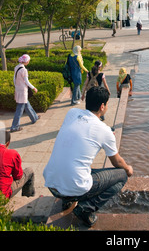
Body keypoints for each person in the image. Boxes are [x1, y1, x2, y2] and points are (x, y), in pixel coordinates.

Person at [43, 86, 133, 228]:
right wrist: (128, 169)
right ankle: (86, 209)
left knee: (78, 161)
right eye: (107, 104)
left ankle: (67, 201)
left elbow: (83, 131)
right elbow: (117, 162)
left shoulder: (71, 113)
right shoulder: (104, 131)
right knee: (121, 175)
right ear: (102, 106)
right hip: (75, 187)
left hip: (52, 184)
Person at [0, 129, 35, 199]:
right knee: (29, 171)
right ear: (8, 143)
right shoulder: (11, 154)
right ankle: (28, 197)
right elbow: (18, 176)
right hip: (2, 195)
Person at [10, 54, 40, 132]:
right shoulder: (24, 70)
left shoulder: (16, 67)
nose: (29, 61)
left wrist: (17, 86)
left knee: (26, 104)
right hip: (23, 90)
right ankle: (14, 127)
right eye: (28, 60)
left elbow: (14, 79)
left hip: (18, 89)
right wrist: (34, 87)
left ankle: (34, 117)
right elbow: (26, 81)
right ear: (26, 61)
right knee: (19, 109)